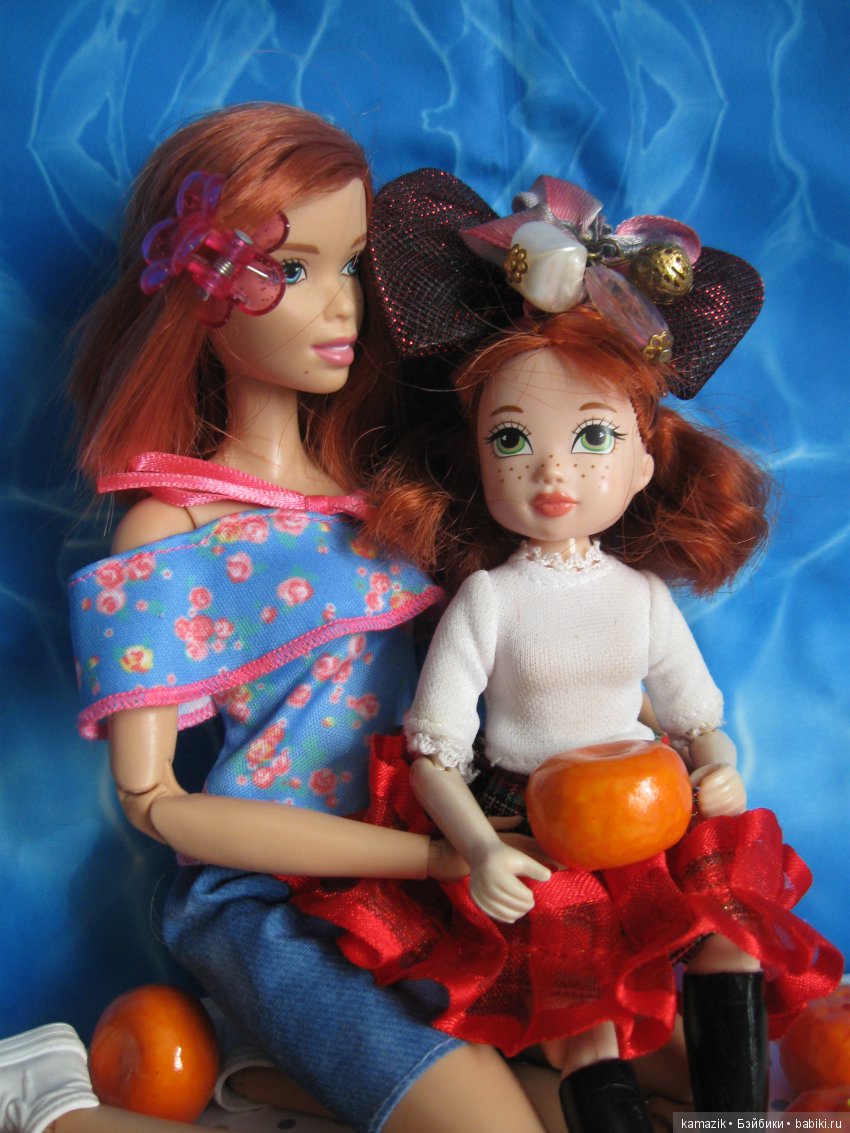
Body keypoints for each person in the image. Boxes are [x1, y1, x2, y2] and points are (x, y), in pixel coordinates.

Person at [0, 105, 566, 1133]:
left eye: (352, 265)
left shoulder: (377, 494)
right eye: (294, 268)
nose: (343, 303)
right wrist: (435, 856)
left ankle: (263, 1085)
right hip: (272, 901)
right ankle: (54, 1109)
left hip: (422, 886)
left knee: (591, 1107)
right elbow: (155, 802)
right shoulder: (173, 526)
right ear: (198, 289)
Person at [286, 171, 844, 1133]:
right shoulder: (490, 600)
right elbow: (432, 752)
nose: (553, 468)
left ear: (643, 460)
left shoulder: (641, 598)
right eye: (513, 439)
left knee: (731, 941)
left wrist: (717, 765)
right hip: (534, 827)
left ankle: (739, 1123)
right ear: (478, 458)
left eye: (593, 437)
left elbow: (695, 716)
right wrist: (475, 847)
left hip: (650, 809)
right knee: (586, 1021)